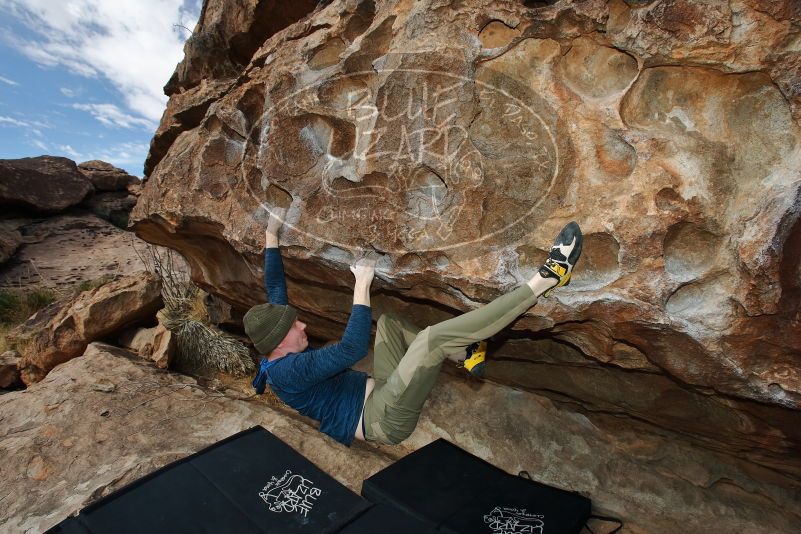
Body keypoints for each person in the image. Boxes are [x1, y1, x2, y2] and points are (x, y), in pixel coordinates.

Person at [245, 210, 583, 447]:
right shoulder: (288, 371)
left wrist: (271, 233)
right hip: (381, 420)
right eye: (294, 327)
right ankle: (547, 280)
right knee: (430, 341)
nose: (302, 324)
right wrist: (362, 283)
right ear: (278, 345)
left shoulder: (278, 347)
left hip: (381, 391)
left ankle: (466, 351)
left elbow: (276, 289)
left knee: (390, 324)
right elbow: (352, 349)